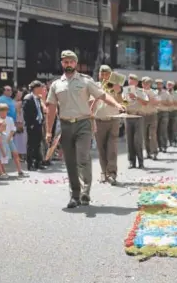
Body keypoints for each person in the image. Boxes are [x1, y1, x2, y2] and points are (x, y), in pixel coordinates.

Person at [45, 50, 125, 208]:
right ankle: (74, 195)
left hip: (83, 123)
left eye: (71, 61)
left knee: (82, 157)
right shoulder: (56, 84)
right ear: (62, 63)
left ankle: (85, 192)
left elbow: (102, 95)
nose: (68, 64)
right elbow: (51, 108)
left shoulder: (86, 81)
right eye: (65, 62)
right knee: (70, 161)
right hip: (66, 125)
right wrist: (48, 131)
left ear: (76, 63)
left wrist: (116, 104)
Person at [92, 65, 123, 185]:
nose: (104, 75)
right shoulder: (94, 86)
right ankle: (104, 172)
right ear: (99, 74)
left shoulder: (116, 86)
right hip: (99, 120)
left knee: (112, 148)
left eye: (107, 73)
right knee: (101, 149)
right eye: (102, 73)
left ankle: (112, 173)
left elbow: (122, 102)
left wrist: (119, 91)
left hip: (113, 120)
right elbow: (90, 103)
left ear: (111, 75)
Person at [123, 74, 149, 169]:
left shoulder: (141, 91)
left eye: (132, 80)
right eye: (129, 79)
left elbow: (146, 103)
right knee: (129, 141)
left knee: (137, 141)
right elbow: (123, 103)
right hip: (129, 116)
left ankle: (140, 162)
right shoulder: (126, 91)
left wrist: (136, 97)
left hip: (138, 117)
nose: (130, 81)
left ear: (137, 82)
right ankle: (131, 162)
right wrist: (125, 101)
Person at [0, 103, 27, 177]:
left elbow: (13, 129)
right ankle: (2, 172)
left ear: (7, 111)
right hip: (1, 141)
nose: (3, 112)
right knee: (2, 156)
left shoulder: (10, 119)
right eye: (1, 111)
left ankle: (19, 170)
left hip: (9, 140)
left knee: (15, 154)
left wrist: (8, 138)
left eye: (5, 110)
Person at [22, 81, 46, 171]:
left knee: (38, 144)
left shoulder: (38, 98)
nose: (41, 89)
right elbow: (26, 113)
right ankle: (30, 164)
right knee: (31, 145)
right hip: (32, 125)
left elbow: (39, 110)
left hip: (38, 123)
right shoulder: (28, 98)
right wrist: (30, 124)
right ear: (35, 88)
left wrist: (42, 119)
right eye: (40, 88)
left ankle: (37, 163)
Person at [141, 77, 159, 160]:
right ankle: (148, 153)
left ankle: (154, 152)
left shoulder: (154, 92)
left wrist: (148, 98)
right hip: (143, 115)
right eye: (145, 83)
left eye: (148, 83)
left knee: (152, 135)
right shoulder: (139, 92)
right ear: (142, 84)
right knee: (145, 135)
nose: (147, 84)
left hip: (152, 115)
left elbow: (156, 102)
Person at [155, 79, 171, 153]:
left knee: (163, 130)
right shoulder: (154, 92)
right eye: (157, 84)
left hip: (164, 113)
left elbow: (170, 103)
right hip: (156, 113)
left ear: (162, 85)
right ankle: (159, 146)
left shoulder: (166, 93)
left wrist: (162, 102)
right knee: (157, 131)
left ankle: (164, 146)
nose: (159, 85)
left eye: (160, 84)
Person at [167, 81, 177, 147]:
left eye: (170, 85)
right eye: (168, 84)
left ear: (173, 86)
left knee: (174, 128)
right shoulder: (165, 93)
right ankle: (169, 141)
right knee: (167, 128)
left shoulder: (176, 94)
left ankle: (174, 141)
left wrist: (168, 103)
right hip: (167, 112)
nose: (169, 86)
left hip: (174, 112)